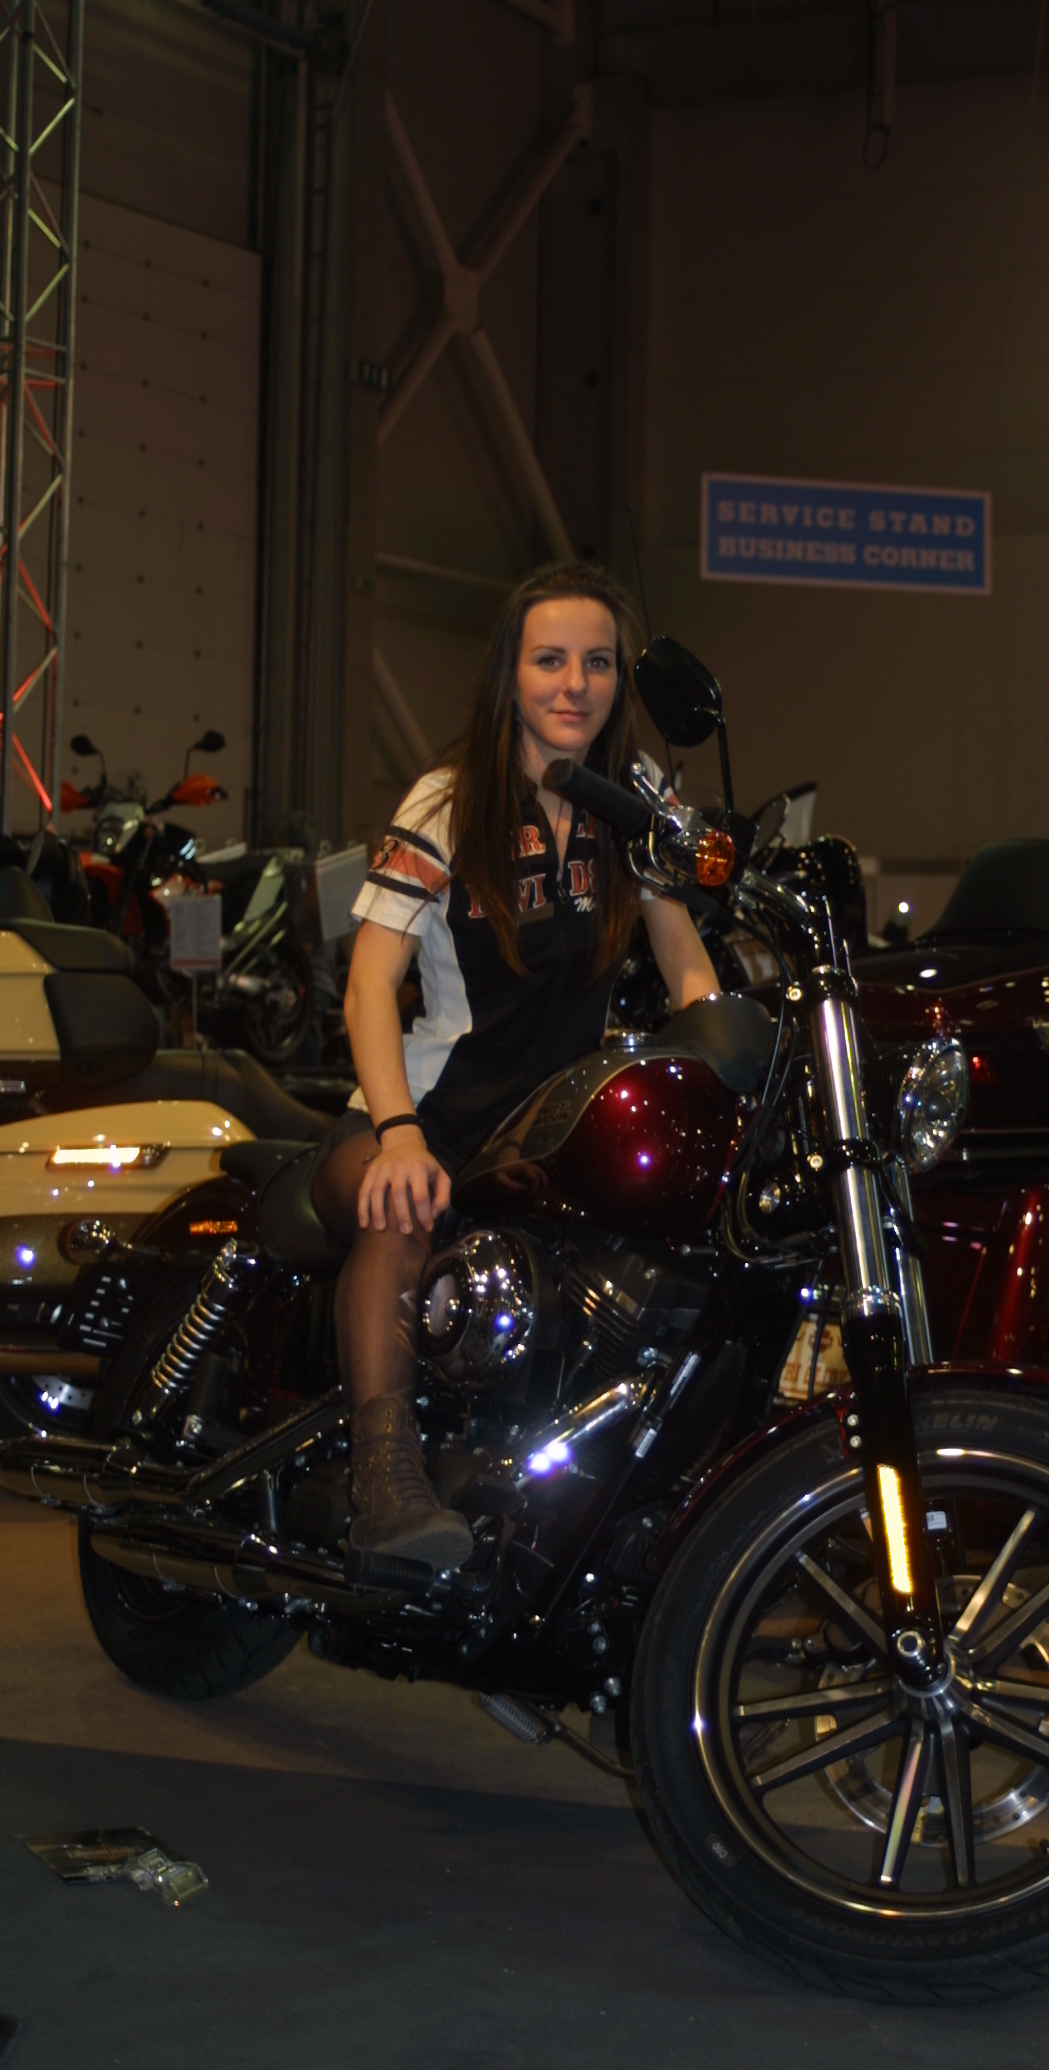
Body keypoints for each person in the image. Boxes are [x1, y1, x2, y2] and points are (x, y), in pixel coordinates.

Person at [312, 562, 719, 1566]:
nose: (575, 684)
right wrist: (397, 1135)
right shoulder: (450, 801)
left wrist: (723, 1049)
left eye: (598, 663)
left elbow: (682, 956)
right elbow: (368, 987)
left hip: (551, 1126)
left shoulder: (635, 797)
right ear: (511, 672)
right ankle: (384, 1482)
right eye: (550, 661)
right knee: (400, 1211)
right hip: (432, 1111)